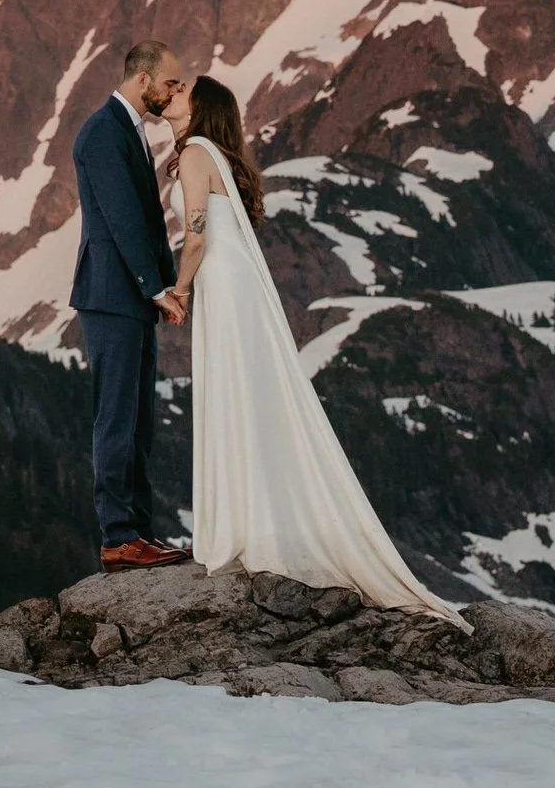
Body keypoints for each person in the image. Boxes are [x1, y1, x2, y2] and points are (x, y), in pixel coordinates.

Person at [158, 74, 465, 622]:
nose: (173, 94)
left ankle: (237, 524)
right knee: (244, 393)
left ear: (199, 109)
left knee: (230, 393)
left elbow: (197, 235)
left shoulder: (197, 153)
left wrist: (178, 291)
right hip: (234, 283)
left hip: (222, 284)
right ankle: (251, 521)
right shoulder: (214, 154)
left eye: (183, 92)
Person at [69, 39, 193, 570]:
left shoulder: (128, 131)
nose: (175, 92)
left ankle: (138, 530)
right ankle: (118, 536)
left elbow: (145, 221)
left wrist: (162, 286)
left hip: (129, 299)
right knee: (116, 418)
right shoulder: (103, 133)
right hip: (113, 297)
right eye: (170, 83)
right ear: (142, 80)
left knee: (138, 421)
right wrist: (156, 287)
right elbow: (123, 219)